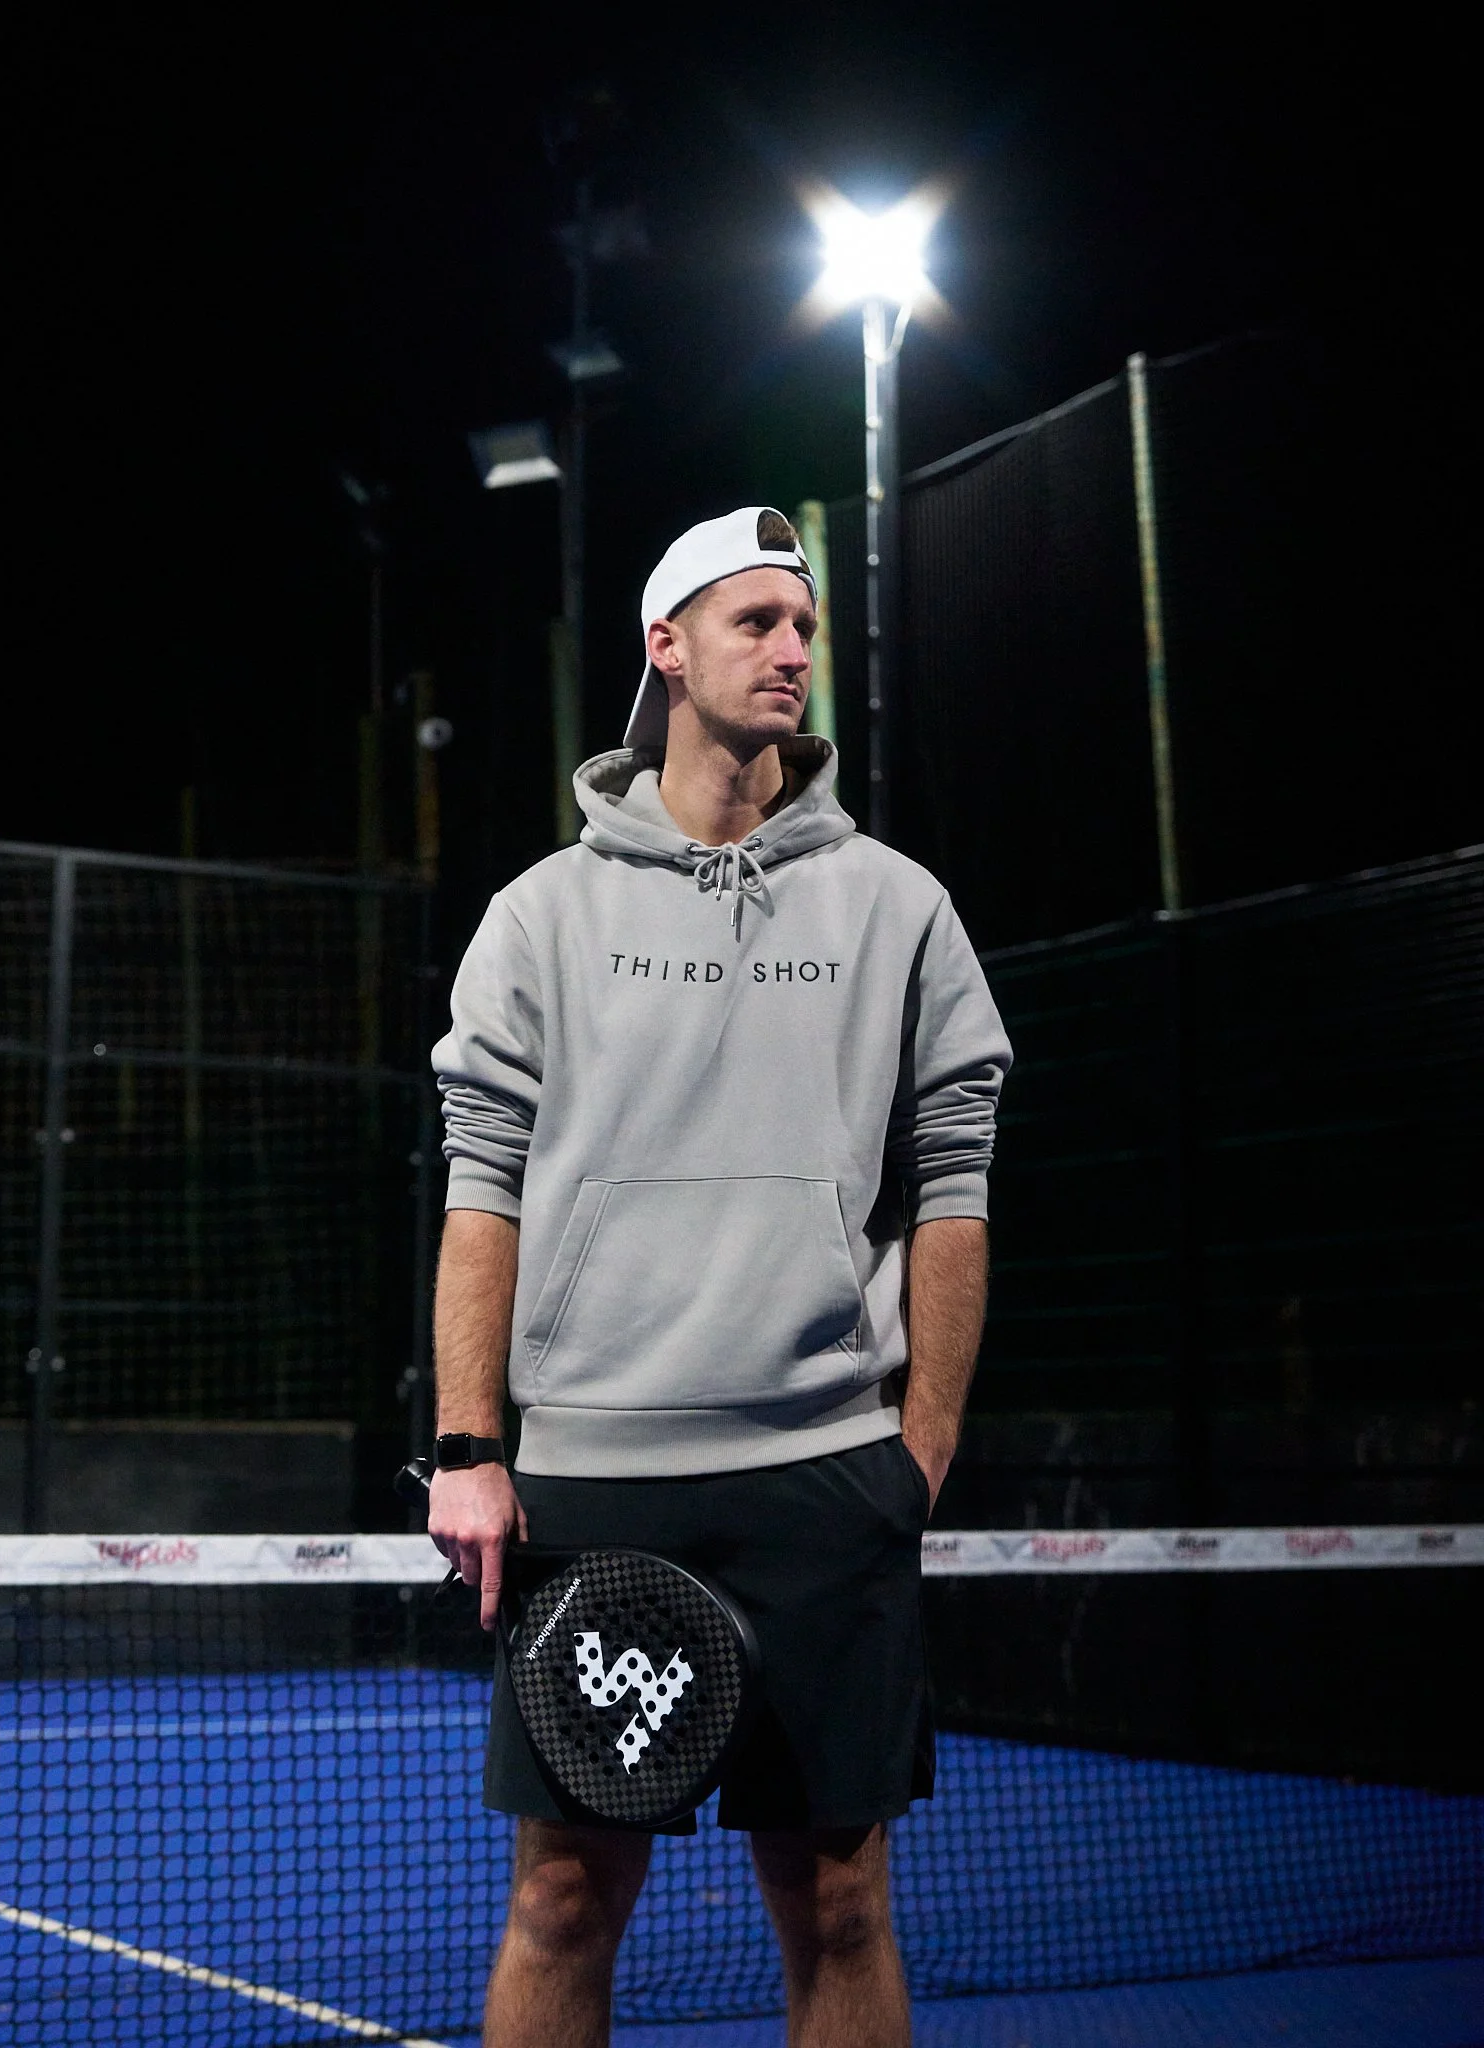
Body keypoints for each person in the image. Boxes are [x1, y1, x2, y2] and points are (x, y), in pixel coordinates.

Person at [429, 506, 1011, 2048]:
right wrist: (472, 1446)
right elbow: (479, 1185)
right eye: (756, 621)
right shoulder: (539, 917)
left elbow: (953, 1187)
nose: (794, 651)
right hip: (596, 1479)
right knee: (563, 1903)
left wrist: (922, 1443)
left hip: (826, 1477)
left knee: (841, 1905)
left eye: (806, 625)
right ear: (665, 647)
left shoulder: (901, 908)